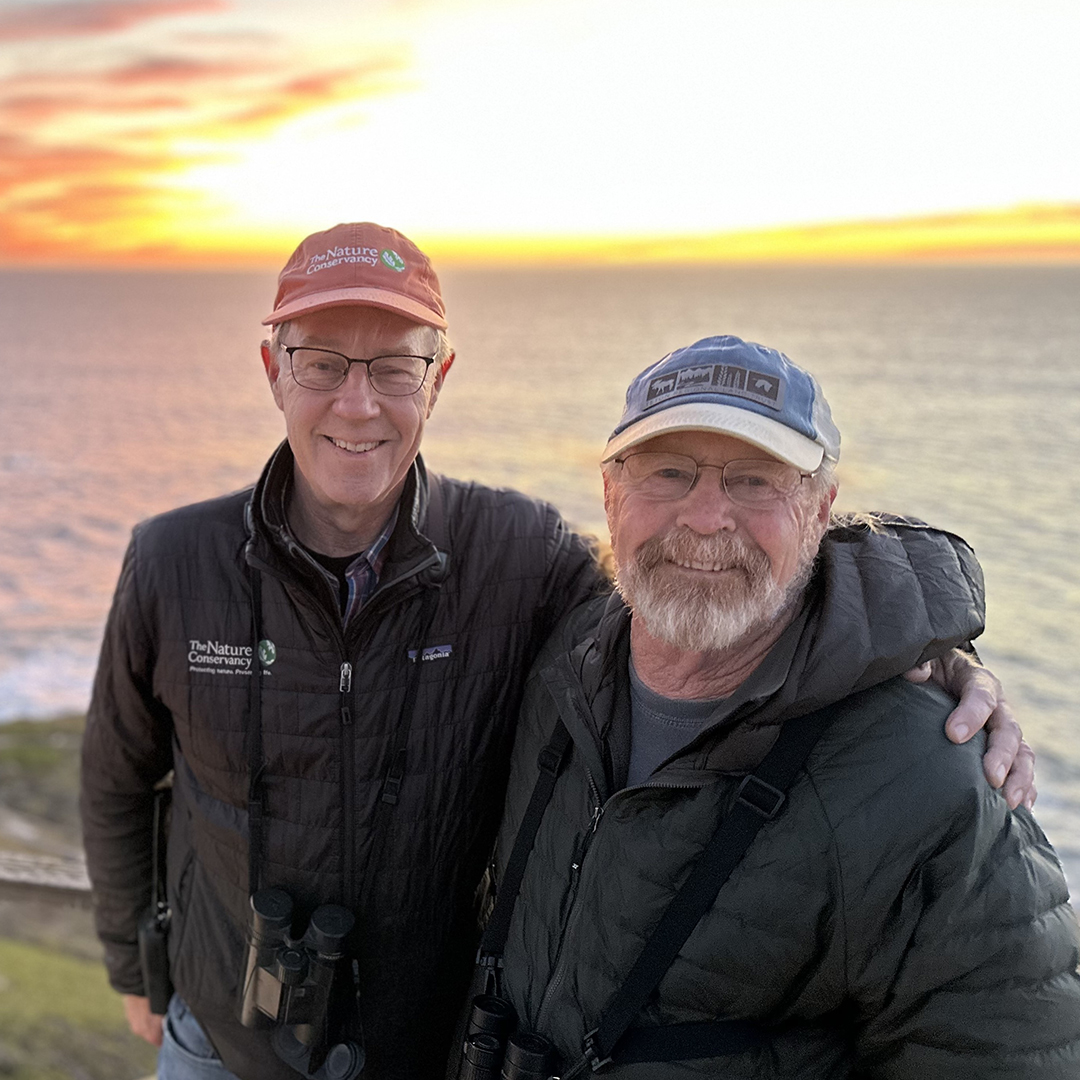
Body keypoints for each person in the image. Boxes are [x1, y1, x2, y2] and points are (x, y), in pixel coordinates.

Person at [80, 226, 1033, 1080]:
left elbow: (697, 594)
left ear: (440, 378)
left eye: (396, 367)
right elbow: (116, 780)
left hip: (420, 1042)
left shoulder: (521, 554)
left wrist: (912, 642)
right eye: (321, 362)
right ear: (271, 369)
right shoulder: (171, 559)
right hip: (218, 1032)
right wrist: (137, 967)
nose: (357, 404)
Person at [480, 336, 1080, 1080]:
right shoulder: (560, 667)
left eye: (755, 480)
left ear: (821, 508)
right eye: (668, 472)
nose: (706, 518)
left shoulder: (929, 782)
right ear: (610, 493)